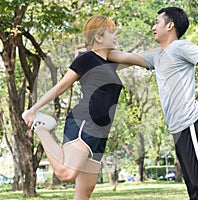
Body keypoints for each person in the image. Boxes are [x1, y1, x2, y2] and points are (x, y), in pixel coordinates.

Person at [107, 7, 198, 200]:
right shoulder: (157, 56)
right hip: (177, 128)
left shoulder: (180, 47)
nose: (153, 27)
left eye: (157, 22)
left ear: (170, 25)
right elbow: (123, 57)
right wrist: (96, 51)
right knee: (195, 192)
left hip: (190, 123)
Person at [22, 15, 131, 200]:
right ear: (98, 37)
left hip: (101, 132)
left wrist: (166, 49)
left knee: (85, 192)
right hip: (84, 122)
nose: (115, 37)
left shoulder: (110, 64)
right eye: (111, 33)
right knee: (66, 173)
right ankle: (40, 126)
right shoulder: (86, 59)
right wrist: (34, 109)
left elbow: (141, 59)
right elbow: (62, 86)